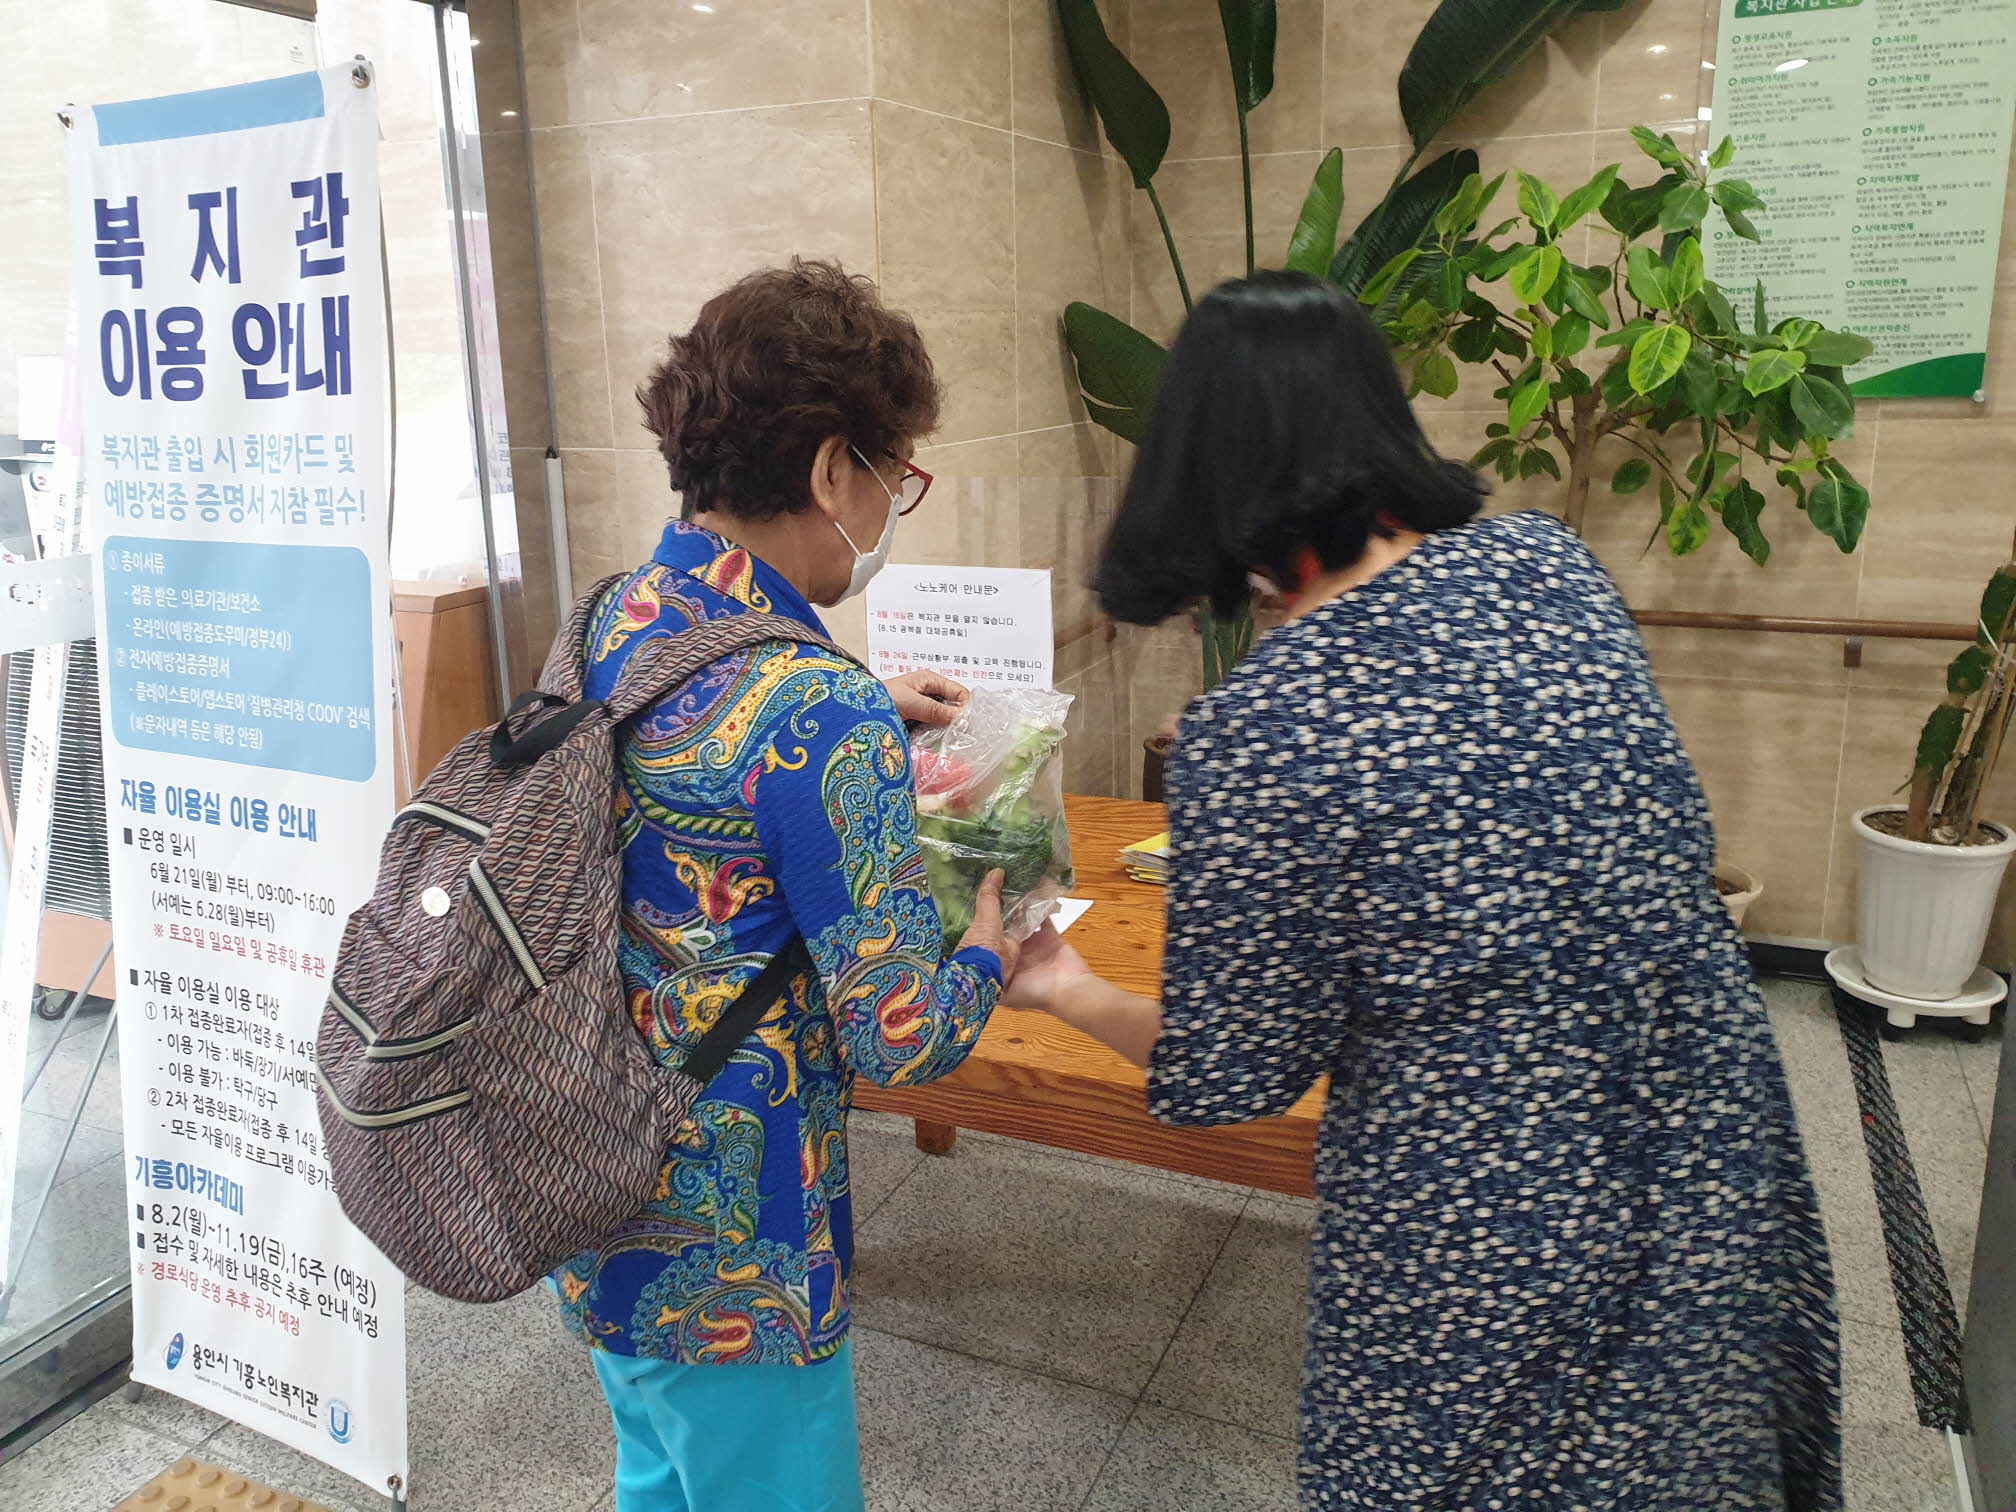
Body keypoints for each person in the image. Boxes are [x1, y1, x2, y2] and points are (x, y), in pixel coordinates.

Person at [1005, 271, 1843, 1511]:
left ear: (1204, 463)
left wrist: (1061, 985)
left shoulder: (1269, 726)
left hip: (1488, 1221)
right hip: (1708, 1142)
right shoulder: (1547, 564)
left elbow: (1231, 1072)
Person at [550, 259, 1017, 1512]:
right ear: (828, 472)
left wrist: (860, 709)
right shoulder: (815, 706)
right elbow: (901, 1034)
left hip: (583, 1167)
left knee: (659, 1477)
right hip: (736, 1251)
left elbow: (687, 765)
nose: (892, 500)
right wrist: (994, 946)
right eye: (893, 472)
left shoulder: (611, 616)